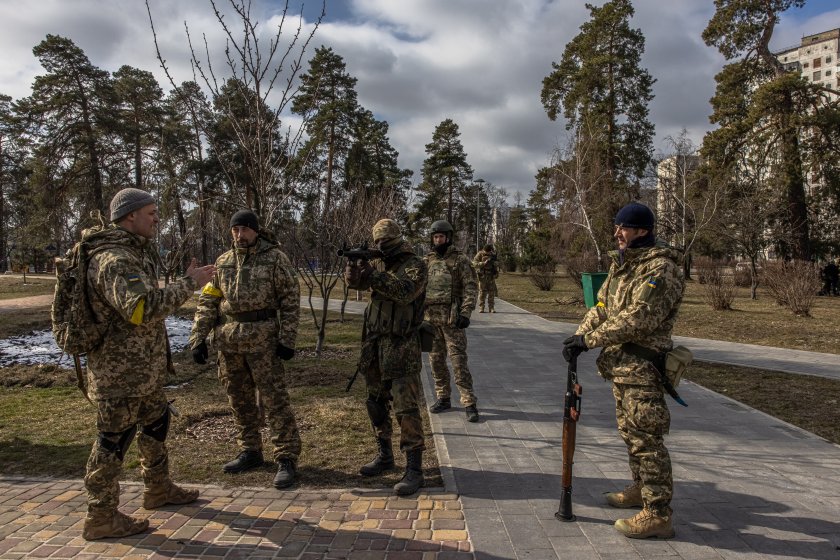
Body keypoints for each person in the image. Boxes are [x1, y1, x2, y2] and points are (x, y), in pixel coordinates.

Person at [81, 188, 216, 540]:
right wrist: (190, 284)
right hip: (120, 374)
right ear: (130, 216)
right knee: (113, 441)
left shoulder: (133, 252)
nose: (157, 219)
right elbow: (140, 310)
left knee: (156, 424)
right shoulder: (114, 259)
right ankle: (101, 516)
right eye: (152, 213)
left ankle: (158, 488)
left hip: (143, 371)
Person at [562, 202, 684, 540]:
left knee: (647, 440)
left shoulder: (660, 268)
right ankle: (641, 490)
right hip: (621, 367)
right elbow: (602, 305)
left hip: (643, 367)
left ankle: (658, 513)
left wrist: (590, 341)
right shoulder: (623, 266)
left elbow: (639, 317)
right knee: (630, 434)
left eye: (624, 228)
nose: (617, 233)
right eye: (616, 227)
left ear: (642, 231)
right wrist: (578, 334)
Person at [189, 210, 302, 489]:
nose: (239, 235)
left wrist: (288, 339)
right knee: (239, 400)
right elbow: (209, 300)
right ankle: (250, 450)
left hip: (263, 341)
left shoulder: (275, 258)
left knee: (274, 400)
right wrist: (198, 337)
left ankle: (286, 457)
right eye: (235, 230)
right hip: (229, 342)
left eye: (244, 230)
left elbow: (290, 299)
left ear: (255, 230)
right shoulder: (223, 262)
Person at [344, 218, 428, 495]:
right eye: (376, 243)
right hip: (375, 343)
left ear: (396, 241)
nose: (380, 247)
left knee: (405, 408)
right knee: (376, 402)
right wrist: (356, 275)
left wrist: (373, 275)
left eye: (385, 243)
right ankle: (385, 455)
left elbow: (404, 292)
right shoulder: (385, 267)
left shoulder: (415, 265)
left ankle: (414, 468)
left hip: (401, 345)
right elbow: (361, 288)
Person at [424, 220, 480, 422]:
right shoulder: (427, 261)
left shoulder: (460, 260)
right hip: (432, 320)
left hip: (452, 320)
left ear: (448, 237)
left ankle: (469, 402)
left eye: (441, 236)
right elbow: (420, 288)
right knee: (436, 361)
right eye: (435, 237)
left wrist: (466, 313)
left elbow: (471, 287)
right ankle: (443, 397)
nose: (438, 240)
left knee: (458, 362)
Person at [472, 243, 499, 313]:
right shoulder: (480, 254)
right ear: (484, 250)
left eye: (489, 252)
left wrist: (494, 263)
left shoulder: (492, 255)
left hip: (491, 276)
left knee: (491, 292)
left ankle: (491, 308)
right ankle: (481, 307)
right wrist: (483, 263)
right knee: (482, 292)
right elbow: (474, 264)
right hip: (482, 276)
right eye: (487, 252)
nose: (488, 253)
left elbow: (497, 263)